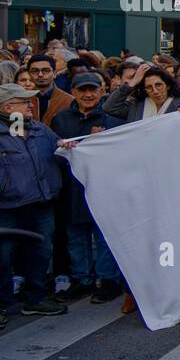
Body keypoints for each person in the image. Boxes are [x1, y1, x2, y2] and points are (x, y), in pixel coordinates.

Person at [0, 84, 67, 330]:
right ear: (8, 107)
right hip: (3, 207)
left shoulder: (38, 128)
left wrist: (68, 145)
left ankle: (36, 298)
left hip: (40, 202)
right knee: (1, 258)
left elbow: (58, 146)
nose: (31, 105)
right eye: (25, 102)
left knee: (41, 253)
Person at [50, 73, 124, 304]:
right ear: (73, 91)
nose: (88, 94)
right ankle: (82, 279)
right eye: (82, 90)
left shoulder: (112, 120)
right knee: (76, 237)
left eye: (93, 89)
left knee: (103, 237)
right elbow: (54, 151)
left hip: (102, 187)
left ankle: (108, 280)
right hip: (71, 187)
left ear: (102, 91)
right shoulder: (60, 119)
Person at [103, 64, 180, 121]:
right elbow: (109, 108)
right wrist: (133, 82)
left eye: (158, 85)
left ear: (168, 85)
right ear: (144, 90)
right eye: (149, 87)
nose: (155, 91)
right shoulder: (135, 106)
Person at [26, 54, 74, 126]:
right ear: (29, 74)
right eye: (35, 71)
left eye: (46, 70)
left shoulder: (69, 101)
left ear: (54, 73)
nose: (40, 74)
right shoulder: (23, 99)